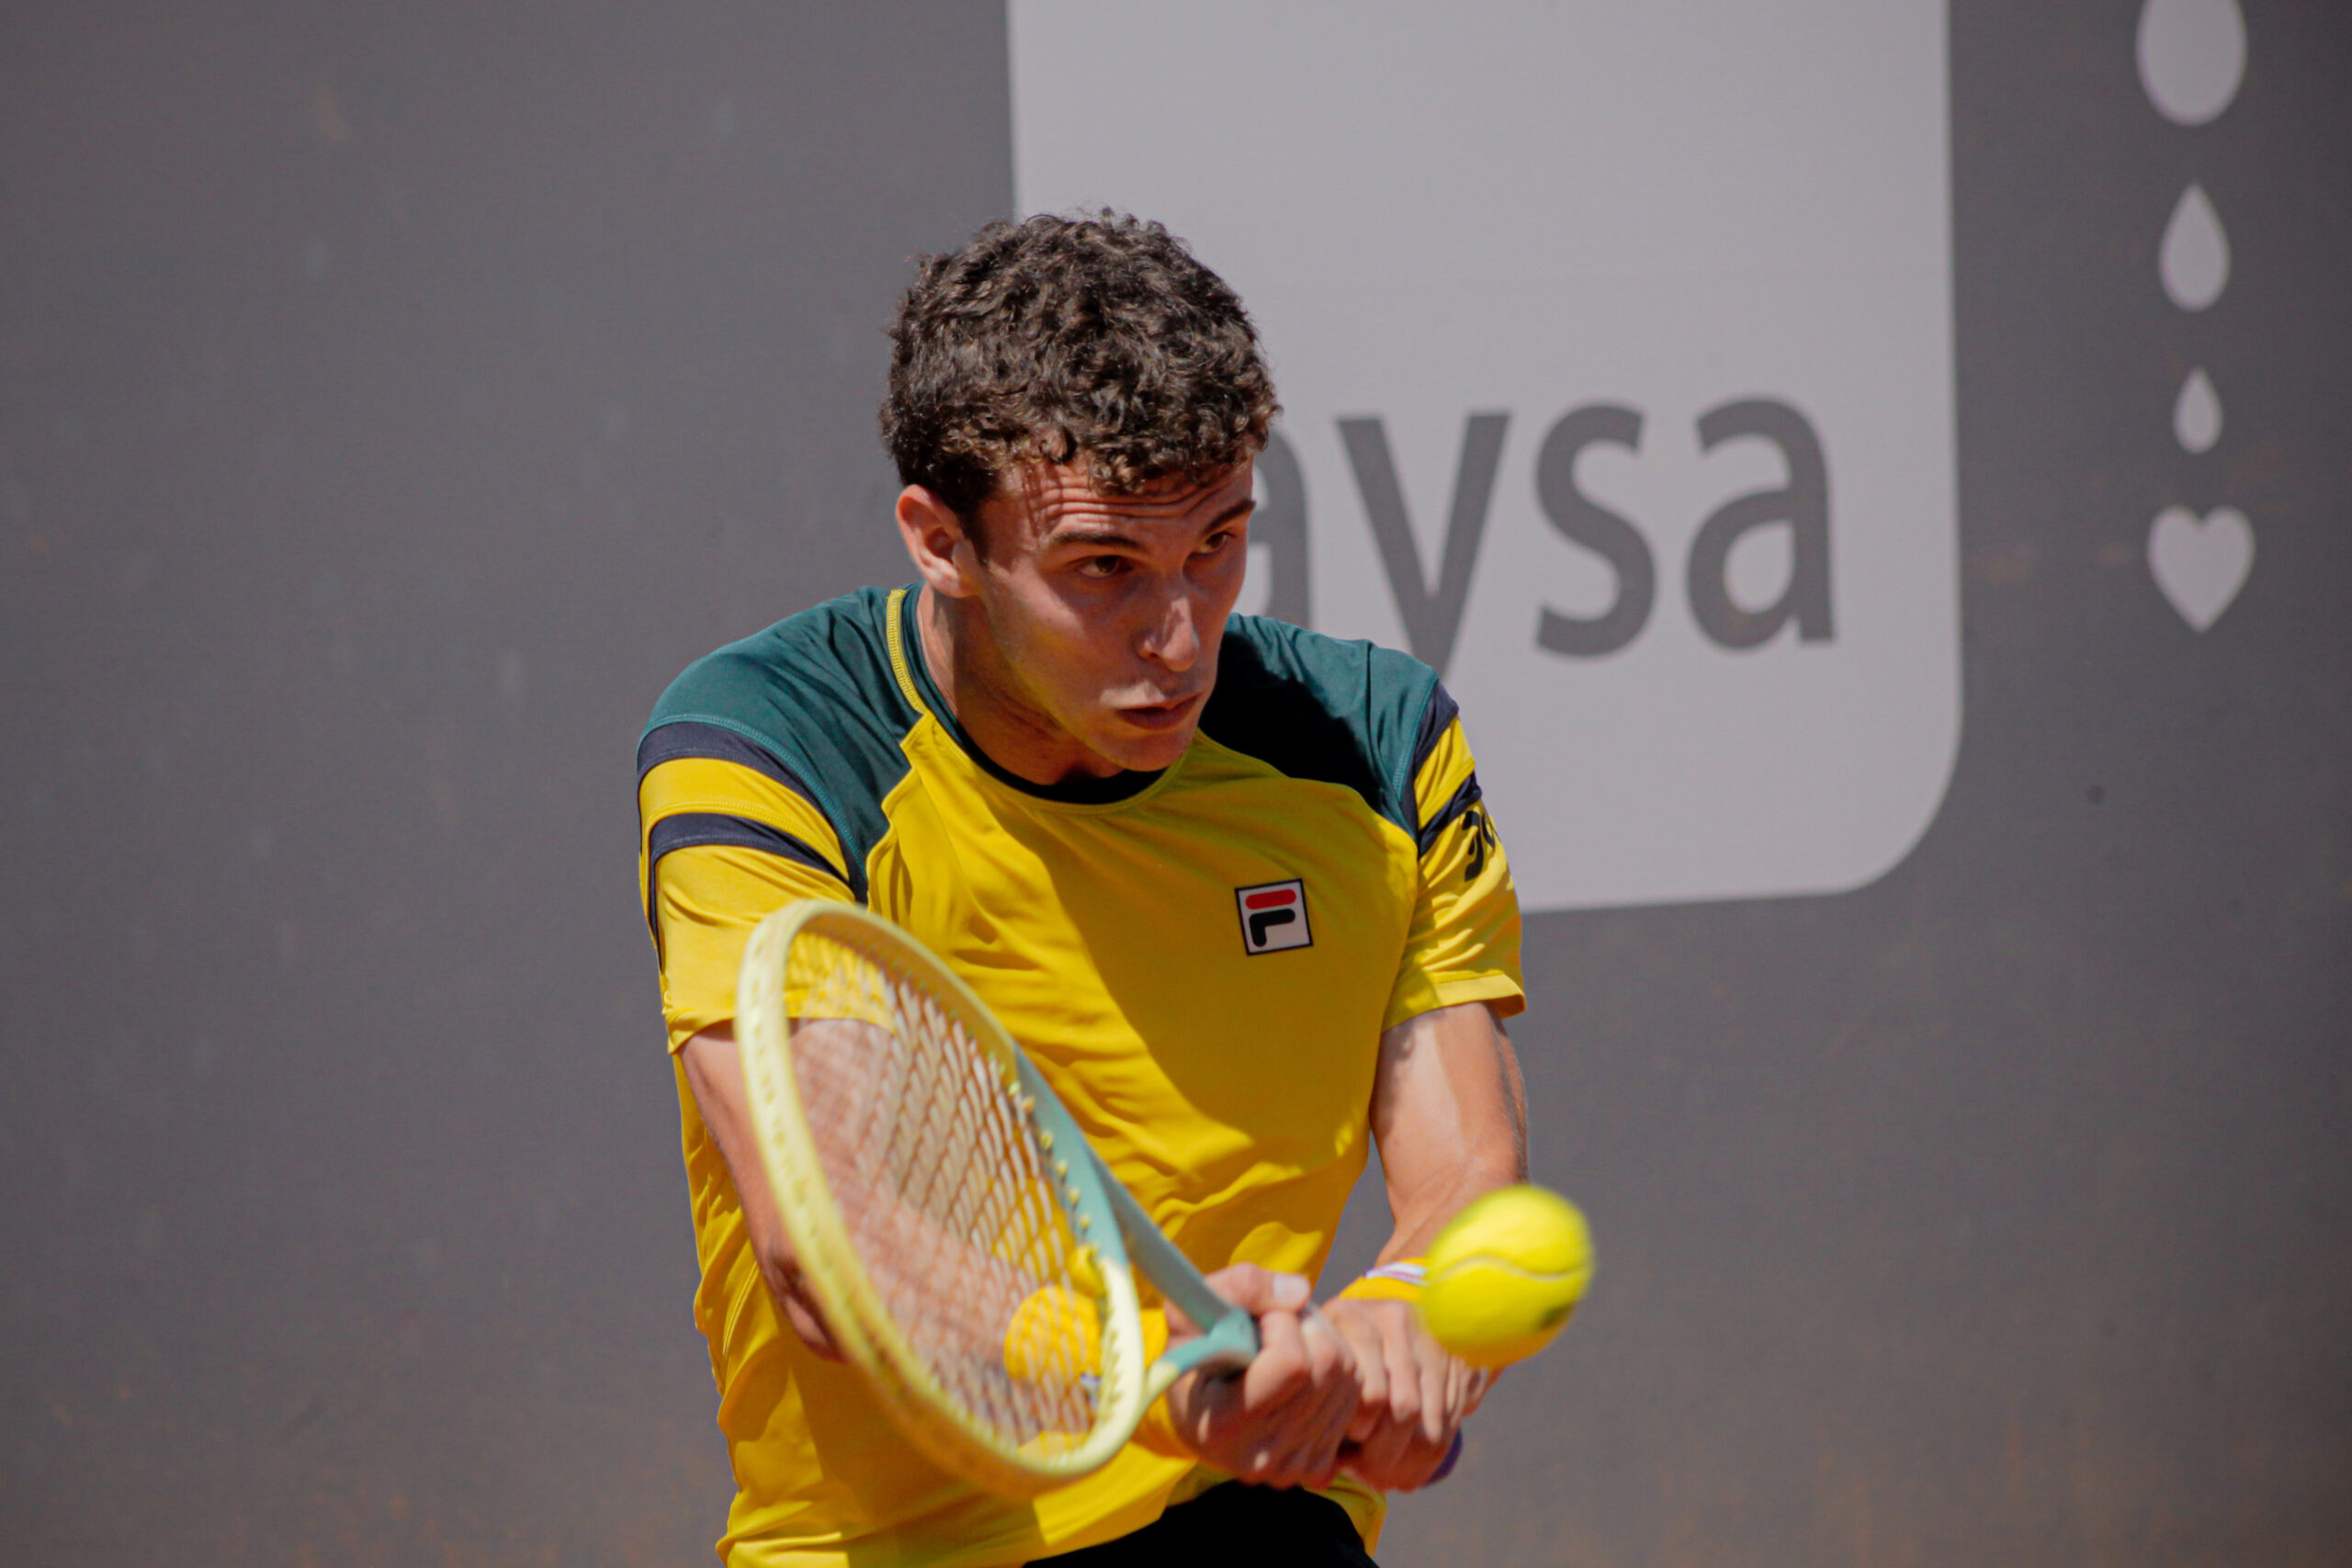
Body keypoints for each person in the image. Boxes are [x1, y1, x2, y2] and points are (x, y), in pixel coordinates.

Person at [635, 212, 1529, 1567]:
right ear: (940, 541)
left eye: (1218, 544)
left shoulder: (1375, 742)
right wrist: (1161, 1377)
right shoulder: (772, 748)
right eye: (1103, 568)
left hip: (1249, 1527)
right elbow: (835, 1239)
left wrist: (1409, 1326)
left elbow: (1467, 1170)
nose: (1180, 636)